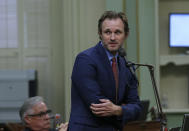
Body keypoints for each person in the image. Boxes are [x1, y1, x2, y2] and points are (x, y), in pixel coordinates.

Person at [68, 11, 142, 131]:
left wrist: (118, 110)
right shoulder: (85, 59)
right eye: (108, 32)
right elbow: (98, 106)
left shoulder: (124, 63)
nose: (112, 38)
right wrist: (123, 111)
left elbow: (137, 107)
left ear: (126, 34)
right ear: (100, 33)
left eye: (117, 32)